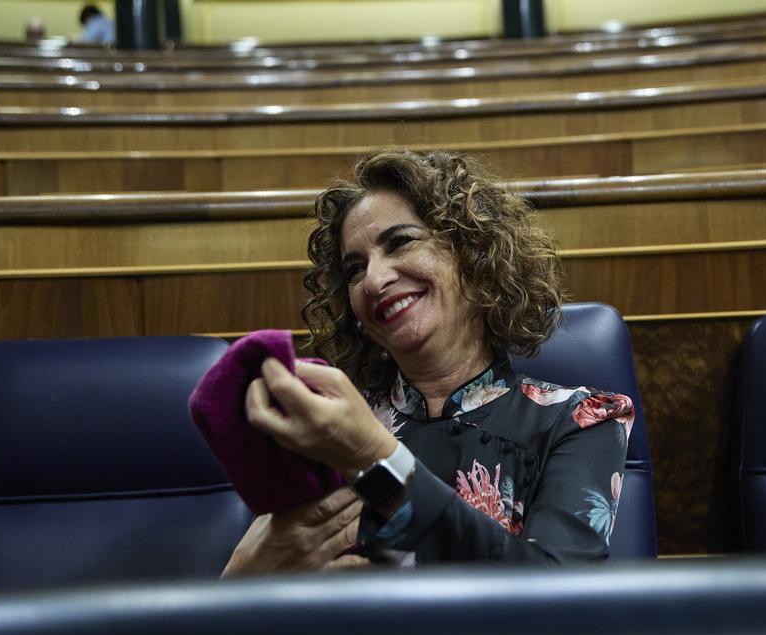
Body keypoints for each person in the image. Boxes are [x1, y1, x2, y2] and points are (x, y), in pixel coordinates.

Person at [221, 150, 632, 574]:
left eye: (400, 242)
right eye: (355, 269)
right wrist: (241, 578)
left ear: (476, 256)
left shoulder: (581, 420)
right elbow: (268, 584)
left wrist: (372, 453)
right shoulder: (323, 421)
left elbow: (557, 598)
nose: (375, 281)